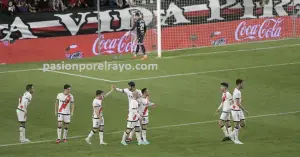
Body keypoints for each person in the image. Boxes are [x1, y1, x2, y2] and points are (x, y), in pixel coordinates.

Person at [229, 79, 248, 144]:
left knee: (243, 123)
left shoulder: (235, 90)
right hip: (235, 110)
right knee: (236, 124)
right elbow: (237, 103)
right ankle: (236, 140)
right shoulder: (237, 92)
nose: (243, 85)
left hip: (237, 109)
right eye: (242, 83)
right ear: (239, 84)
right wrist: (244, 110)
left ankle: (231, 135)